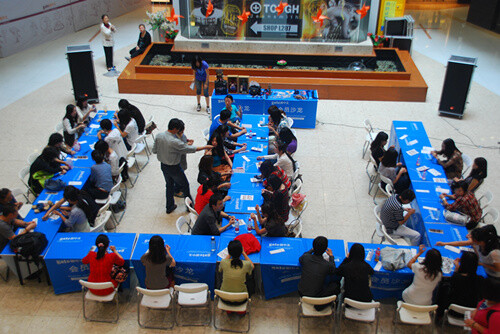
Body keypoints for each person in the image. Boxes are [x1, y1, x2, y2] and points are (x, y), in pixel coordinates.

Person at [152, 118, 212, 214]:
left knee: (169, 185)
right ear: (175, 129)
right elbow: (188, 148)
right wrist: (205, 147)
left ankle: (169, 206)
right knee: (185, 185)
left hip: (163, 166)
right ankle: (190, 207)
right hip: (174, 167)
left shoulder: (159, 136)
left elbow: (154, 150)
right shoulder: (174, 141)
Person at [436, 252, 484, 318]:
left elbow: (456, 279)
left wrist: (456, 268)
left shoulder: (456, 278)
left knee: (443, 288)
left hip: (453, 310)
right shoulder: (480, 279)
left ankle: (438, 315)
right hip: (470, 312)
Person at [298, 236, 339, 310]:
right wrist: (331, 256)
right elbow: (333, 268)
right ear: (325, 249)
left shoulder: (305, 258)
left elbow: (303, 256)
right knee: (336, 285)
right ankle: (320, 305)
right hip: (316, 296)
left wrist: (312, 250)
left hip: (302, 292)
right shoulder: (327, 265)